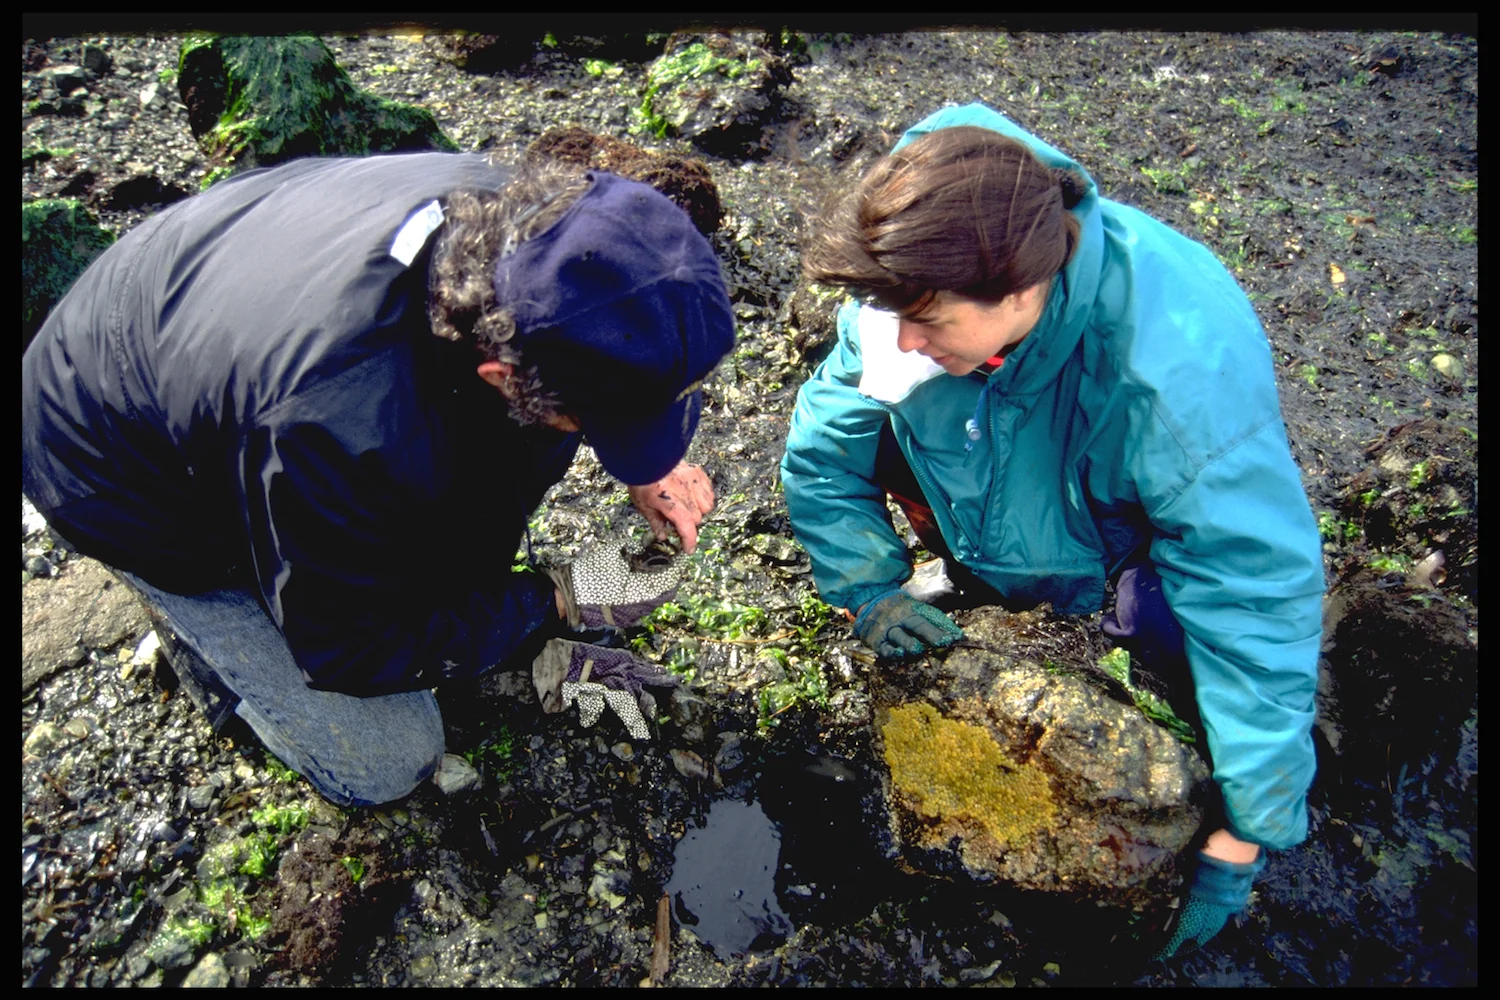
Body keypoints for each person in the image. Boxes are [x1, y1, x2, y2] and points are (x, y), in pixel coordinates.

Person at [22, 150, 736, 806]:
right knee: (391, 759)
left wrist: (651, 453)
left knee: (469, 502)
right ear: (501, 374)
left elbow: (638, 340)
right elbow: (347, 648)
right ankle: (205, 645)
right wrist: (553, 600)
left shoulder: (540, 231)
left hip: (211, 302)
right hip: (111, 461)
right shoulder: (332, 423)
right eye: (596, 423)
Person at [780, 104, 1325, 960]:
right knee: (879, 416)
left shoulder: (1176, 379)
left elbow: (1252, 588)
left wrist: (1248, 828)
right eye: (891, 319)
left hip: (1110, 539)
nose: (903, 340)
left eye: (930, 325)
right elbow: (822, 451)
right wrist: (867, 587)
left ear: (1022, 290)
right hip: (976, 472)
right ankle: (979, 565)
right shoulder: (909, 284)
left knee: (1166, 619)